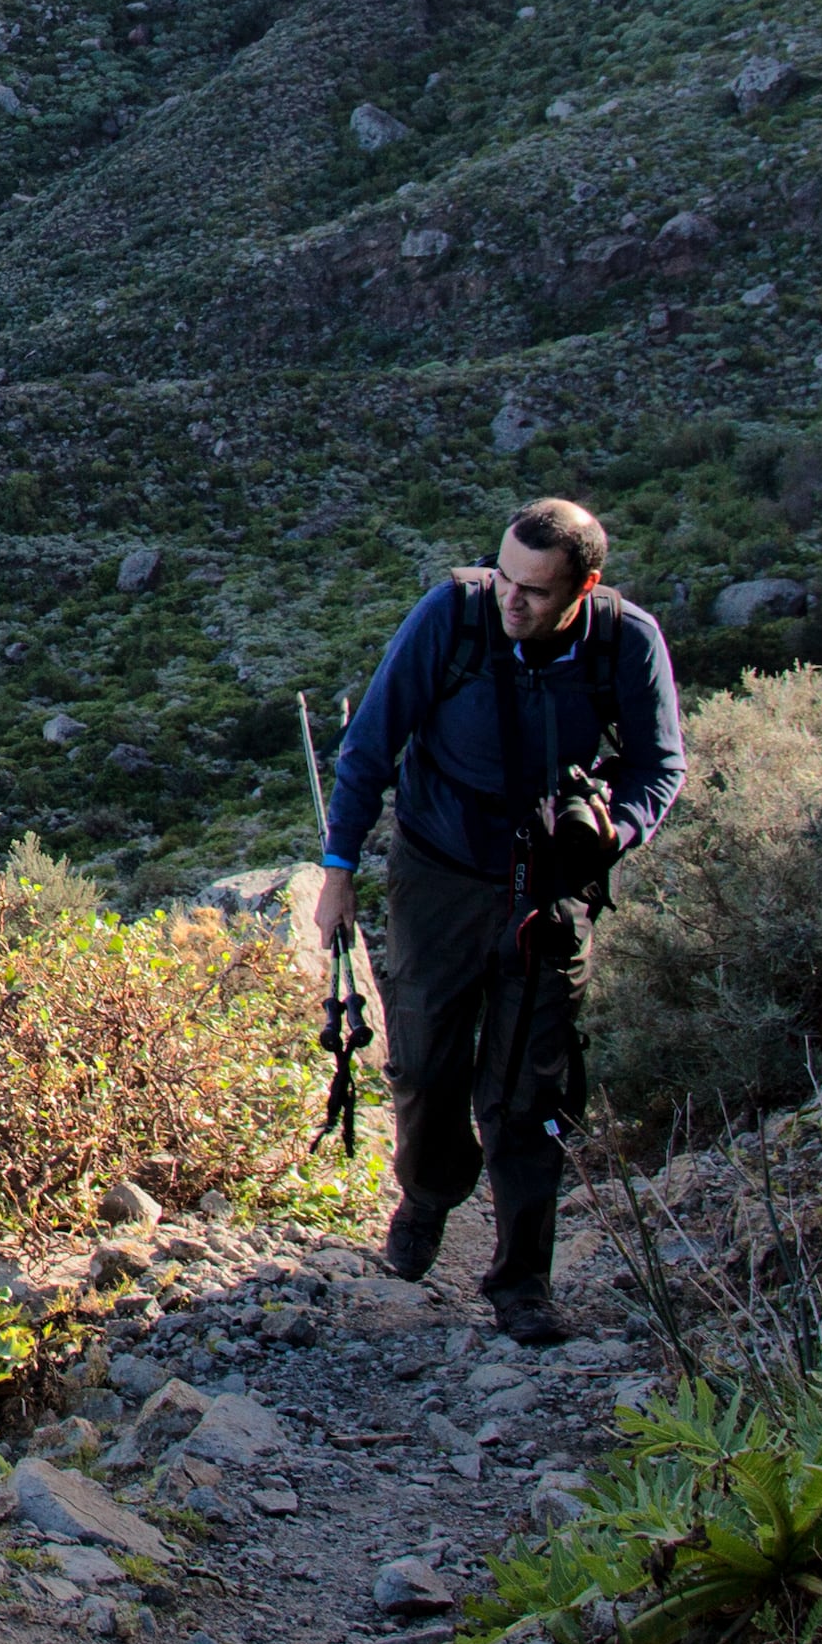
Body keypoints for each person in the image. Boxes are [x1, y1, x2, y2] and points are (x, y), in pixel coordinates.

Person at [300, 496, 688, 1343]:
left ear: (584, 587)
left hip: (548, 893)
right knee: (426, 1059)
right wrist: (338, 870)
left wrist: (607, 835)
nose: (512, 600)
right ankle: (429, 1195)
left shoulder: (627, 641)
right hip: (438, 874)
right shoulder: (455, 615)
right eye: (505, 577)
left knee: (530, 1086)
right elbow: (372, 742)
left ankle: (522, 1279)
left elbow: (662, 765)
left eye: (536, 591)